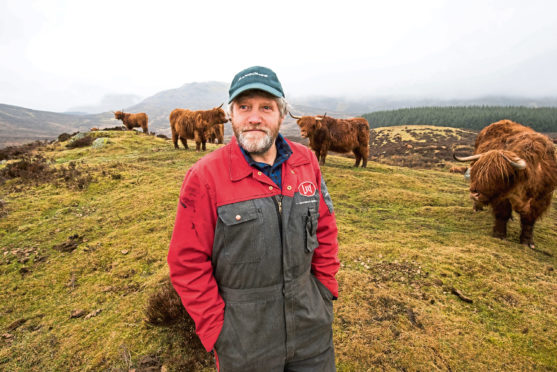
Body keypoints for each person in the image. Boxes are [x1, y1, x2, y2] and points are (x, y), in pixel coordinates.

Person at [167, 66, 340, 372]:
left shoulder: (306, 162)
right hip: (243, 340)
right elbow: (186, 261)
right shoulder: (204, 176)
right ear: (232, 114)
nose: (255, 117)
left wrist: (324, 292)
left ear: (281, 115)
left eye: (266, 107)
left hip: (311, 331)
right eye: (244, 107)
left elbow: (325, 228)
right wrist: (217, 329)